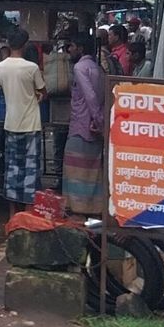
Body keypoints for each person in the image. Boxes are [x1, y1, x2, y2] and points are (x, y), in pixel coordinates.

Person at [0, 27, 47, 217]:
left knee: (12, 168)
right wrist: (36, 95)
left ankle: (12, 212)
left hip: (11, 123)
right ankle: (27, 211)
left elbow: (2, 90)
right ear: (25, 45)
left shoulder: (1, 67)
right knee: (30, 170)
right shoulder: (31, 68)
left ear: (9, 44)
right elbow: (43, 92)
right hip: (31, 124)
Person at [62, 32, 105, 216]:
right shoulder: (97, 68)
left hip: (82, 127)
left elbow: (91, 97)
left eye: (71, 46)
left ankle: (77, 209)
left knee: (75, 170)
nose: (68, 50)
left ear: (80, 48)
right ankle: (92, 209)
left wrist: (97, 120)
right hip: (94, 129)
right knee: (93, 173)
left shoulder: (80, 68)